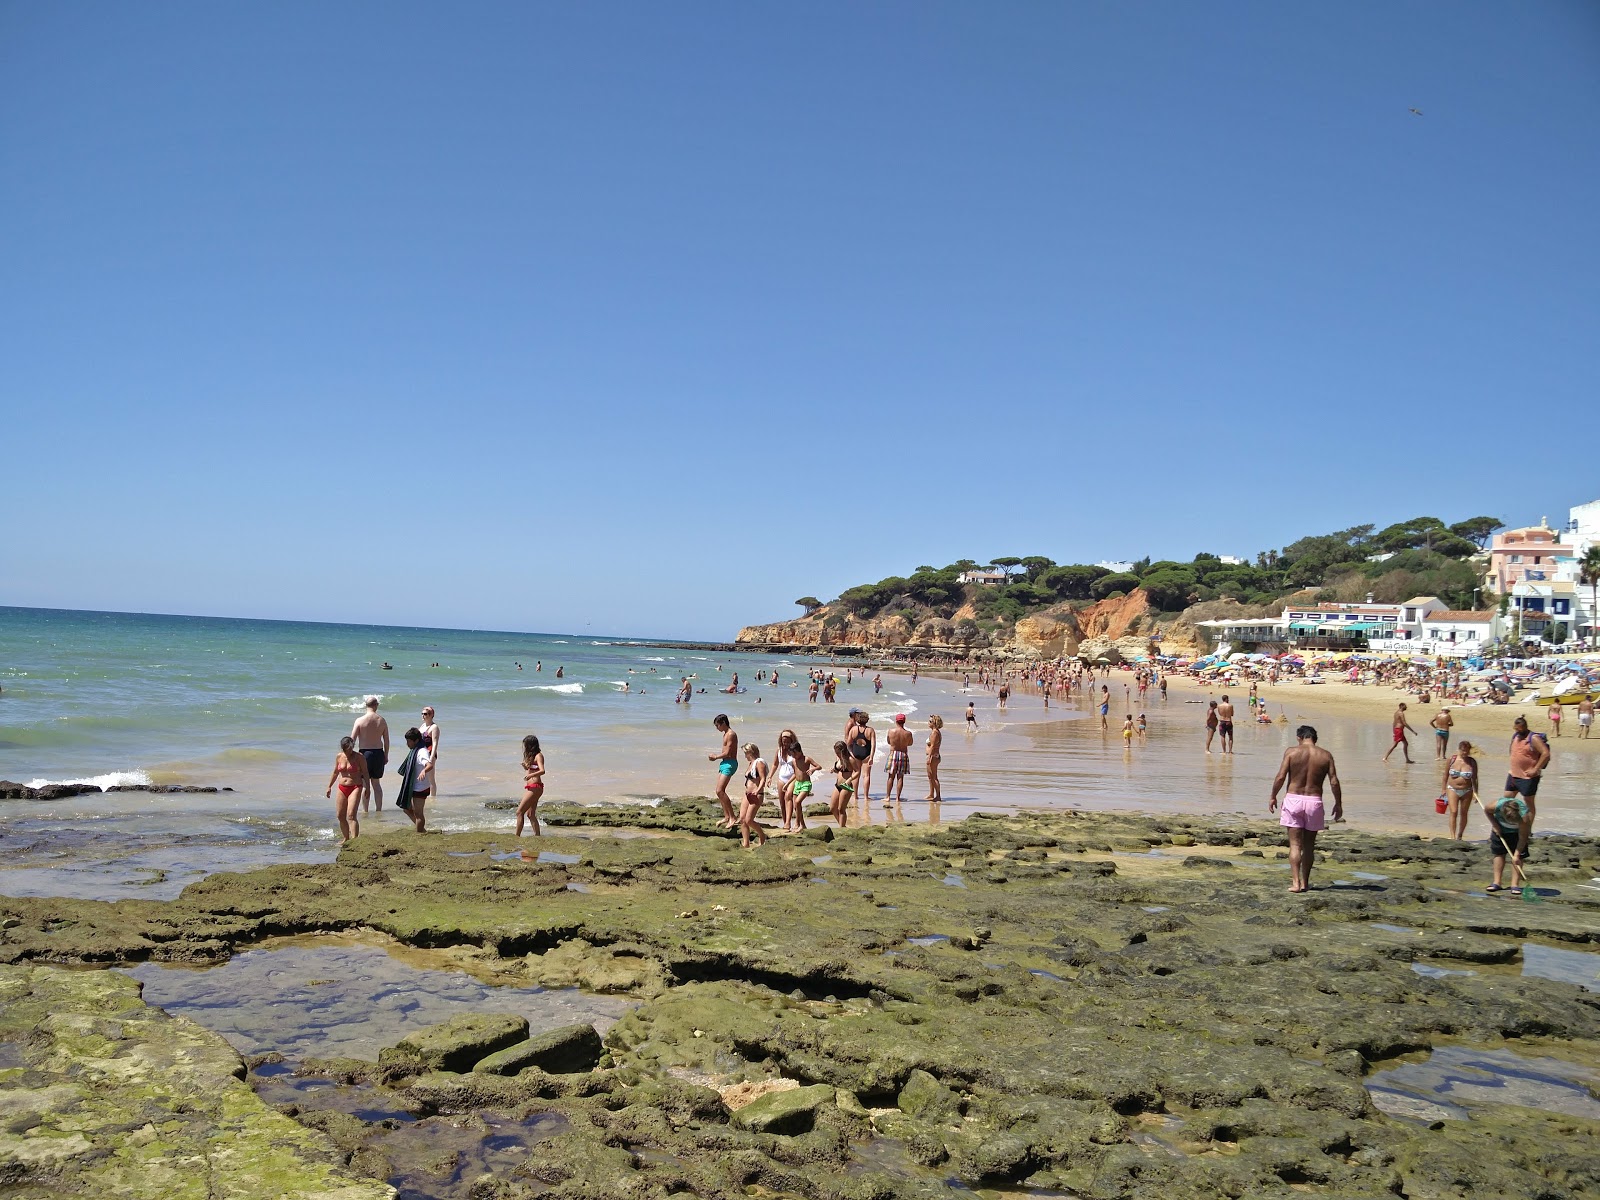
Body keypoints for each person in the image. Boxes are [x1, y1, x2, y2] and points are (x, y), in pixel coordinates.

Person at [1268, 724, 1343, 894]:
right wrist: (1338, 803)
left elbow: (1280, 777)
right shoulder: (1325, 755)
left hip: (1293, 799)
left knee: (1295, 844)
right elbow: (1334, 781)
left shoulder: (1292, 752)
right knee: (1309, 846)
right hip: (1314, 801)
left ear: (1299, 738)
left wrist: (1273, 795)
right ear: (1315, 739)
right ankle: (1306, 883)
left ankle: (1295, 883)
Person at [1483, 779, 1533, 894]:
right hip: (1500, 830)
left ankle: (1514, 885)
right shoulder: (1495, 806)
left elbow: (1523, 837)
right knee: (1499, 854)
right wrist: (1495, 825)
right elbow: (1487, 811)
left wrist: (1516, 854)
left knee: (1518, 859)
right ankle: (1497, 882)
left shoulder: (1524, 816)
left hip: (1517, 834)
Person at [1501, 714, 1550, 823]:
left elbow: (1546, 754)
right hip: (1513, 775)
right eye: (1516, 729)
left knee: (1529, 803)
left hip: (1528, 777)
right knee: (1506, 800)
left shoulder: (1533, 738)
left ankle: (1527, 830)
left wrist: (1536, 769)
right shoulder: (1515, 736)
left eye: (1521, 730)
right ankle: (1509, 826)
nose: (1518, 732)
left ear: (1525, 727)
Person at [325, 735, 368, 845]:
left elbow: (366, 773)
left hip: (355, 787)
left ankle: (354, 840)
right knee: (340, 815)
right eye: (345, 749)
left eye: (350, 749)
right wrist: (329, 786)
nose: (348, 752)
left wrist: (367, 787)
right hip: (342, 787)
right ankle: (346, 838)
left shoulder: (359, 757)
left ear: (353, 746)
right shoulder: (339, 756)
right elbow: (335, 772)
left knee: (351, 815)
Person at [351, 697, 390, 812]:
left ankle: (365, 811)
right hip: (378, 753)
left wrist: (350, 757)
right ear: (376, 705)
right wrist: (386, 755)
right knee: (376, 784)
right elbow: (387, 740)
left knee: (365, 784)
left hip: (364, 754)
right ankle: (378, 810)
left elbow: (352, 740)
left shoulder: (359, 720)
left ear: (366, 705)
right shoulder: (381, 720)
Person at [394, 727, 431, 833]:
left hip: (420, 787)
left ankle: (420, 834)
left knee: (419, 814)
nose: (407, 744)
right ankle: (422, 830)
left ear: (416, 741)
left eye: (409, 741)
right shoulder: (414, 750)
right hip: (413, 786)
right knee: (406, 809)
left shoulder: (422, 752)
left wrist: (424, 771)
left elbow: (429, 765)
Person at [1440, 740, 1478, 841]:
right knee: (1454, 811)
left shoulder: (1472, 762)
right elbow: (1445, 775)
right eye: (1463, 750)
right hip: (1452, 789)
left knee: (1464, 813)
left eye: (1467, 751)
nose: (1465, 753)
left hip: (1467, 790)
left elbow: (1474, 778)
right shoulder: (1452, 759)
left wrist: (1476, 792)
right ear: (1459, 749)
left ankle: (1460, 835)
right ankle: (1452, 836)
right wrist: (1443, 789)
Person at [707, 714, 739, 827]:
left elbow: (728, 753)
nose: (717, 728)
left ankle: (733, 817)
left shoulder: (731, 734)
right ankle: (727, 816)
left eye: (717, 725)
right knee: (718, 791)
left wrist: (715, 757)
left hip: (730, 764)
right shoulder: (725, 734)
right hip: (724, 763)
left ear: (723, 723)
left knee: (720, 791)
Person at [739, 742, 770, 848]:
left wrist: (758, 790)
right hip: (747, 794)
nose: (745, 756)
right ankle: (746, 843)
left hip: (756, 794)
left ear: (750, 752)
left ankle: (762, 834)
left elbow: (763, 778)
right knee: (742, 819)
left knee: (749, 820)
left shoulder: (759, 762)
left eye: (745, 753)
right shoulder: (751, 764)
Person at [787, 738, 821, 832]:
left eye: (794, 753)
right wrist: (787, 784)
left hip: (806, 784)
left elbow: (819, 766)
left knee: (797, 802)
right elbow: (795, 774)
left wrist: (813, 769)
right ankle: (803, 825)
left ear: (799, 751)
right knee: (796, 806)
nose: (793, 756)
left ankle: (799, 824)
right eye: (792, 754)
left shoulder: (807, 759)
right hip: (797, 784)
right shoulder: (794, 761)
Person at [516, 734, 545, 837]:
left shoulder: (538, 756)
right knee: (530, 814)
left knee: (519, 812)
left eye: (526, 745)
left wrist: (530, 775)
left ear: (531, 745)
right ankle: (537, 836)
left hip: (536, 787)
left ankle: (516, 837)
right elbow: (533, 769)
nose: (525, 747)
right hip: (533, 787)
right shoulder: (531, 757)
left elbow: (542, 771)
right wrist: (526, 767)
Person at [884, 714, 913, 806]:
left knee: (890, 777)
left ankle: (888, 796)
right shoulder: (908, 733)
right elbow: (910, 743)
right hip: (903, 754)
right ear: (904, 722)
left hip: (893, 753)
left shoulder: (891, 731)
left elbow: (888, 742)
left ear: (896, 721)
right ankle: (897, 798)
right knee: (900, 777)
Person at [848, 711, 877, 801]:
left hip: (856, 754)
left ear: (858, 719)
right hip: (866, 754)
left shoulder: (853, 729)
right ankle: (865, 796)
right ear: (867, 720)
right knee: (866, 775)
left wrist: (851, 754)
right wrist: (871, 757)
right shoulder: (870, 730)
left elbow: (848, 744)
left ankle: (855, 795)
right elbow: (873, 745)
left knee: (856, 774)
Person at [829, 741, 855, 827]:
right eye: (835, 753)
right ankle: (842, 826)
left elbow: (858, 771)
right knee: (832, 808)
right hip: (838, 785)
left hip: (846, 786)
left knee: (841, 809)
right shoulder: (838, 759)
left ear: (843, 751)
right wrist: (834, 770)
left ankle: (841, 828)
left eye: (838, 753)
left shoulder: (850, 759)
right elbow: (839, 771)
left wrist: (850, 779)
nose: (837, 754)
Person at [419, 706, 441, 795]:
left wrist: (431, 758)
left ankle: (433, 798)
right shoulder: (423, 725)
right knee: (422, 776)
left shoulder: (434, 727)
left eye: (425, 714)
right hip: (422, 754)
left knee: (430, 778)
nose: (423, 716)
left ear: (431, 715)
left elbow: (435, 743)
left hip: (430, 754)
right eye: (422, 714)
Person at [924, 714, 943, 803]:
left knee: (934, 776)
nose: (928, 722)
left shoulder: (935, 732)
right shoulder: (934, 732)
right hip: (933, 756)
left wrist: (929, 757)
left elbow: (932, 746)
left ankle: (938, 796)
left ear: (935, 723)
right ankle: (931, 794)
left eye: (930, 721)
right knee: (930, 776)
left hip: (933, 756)